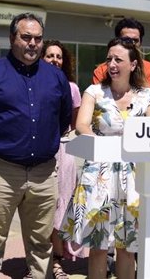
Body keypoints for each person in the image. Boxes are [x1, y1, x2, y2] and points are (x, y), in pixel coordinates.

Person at [0, 13, 72, 279]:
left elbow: (62, 119)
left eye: (38, 38)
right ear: (11, 38)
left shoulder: (56, 78)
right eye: (26, 37)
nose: (33, 44)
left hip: (43, 174)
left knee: (41, 245)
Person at [62, 37, 150, 279]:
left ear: (133, 64)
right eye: (109, 59)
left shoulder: (147, 96)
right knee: (98, 246)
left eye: (118, 59)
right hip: (99, 173)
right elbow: (82, 125)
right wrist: (102, 144)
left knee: (128, 246)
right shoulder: (94, 91)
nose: (112, 64)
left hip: (135, 175)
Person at [42, 39, 82, 279]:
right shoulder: (32, 84)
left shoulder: (72, 88)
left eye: (58, 56)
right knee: (39, 208)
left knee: (60, 207)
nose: (55, 60)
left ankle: (56, 261)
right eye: (50, 56)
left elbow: (76, 124)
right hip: (37, 152)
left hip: (64, 151)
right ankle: (38, 261)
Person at [92, 17, 150, 92]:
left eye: (135, 40)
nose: (132, 44)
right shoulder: (102, 71)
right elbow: (98, 98)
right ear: (117, 41)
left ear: (141, 43)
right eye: (126, 40)